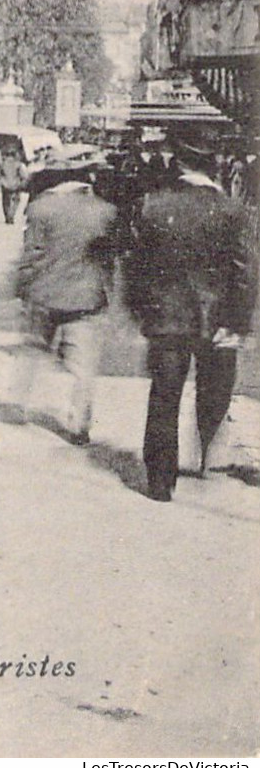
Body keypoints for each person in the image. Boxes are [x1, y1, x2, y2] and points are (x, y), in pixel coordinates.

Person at [124, 143, 255, 502]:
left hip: (166, 318)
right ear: (213, 167)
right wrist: (239, 322)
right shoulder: (231, 210)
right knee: (213, 390)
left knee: (165, 396)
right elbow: (245, 272)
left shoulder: (154, 205)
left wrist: (141, 310)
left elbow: (136, 266)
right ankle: (206, 458)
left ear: (178, 164)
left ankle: (161, 481)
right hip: (216, 320)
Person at [11, 164, 118, 443]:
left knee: (32, 351)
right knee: (83, 368)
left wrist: (22, 288)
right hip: (86, 299)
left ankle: (19, 405)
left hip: (44, 295)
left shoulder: (41, 209)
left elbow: (32, 254)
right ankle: (79, 425)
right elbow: (108, 260)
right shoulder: (105, 211)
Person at [0, 148, 27, 224]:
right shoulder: (19, 164)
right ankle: (12, 215)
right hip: (16, 185)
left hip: (5, 184)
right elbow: (24, 175)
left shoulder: (1, 164)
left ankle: (7, 216)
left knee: (5, 201)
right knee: (16, 200)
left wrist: (0, 181)